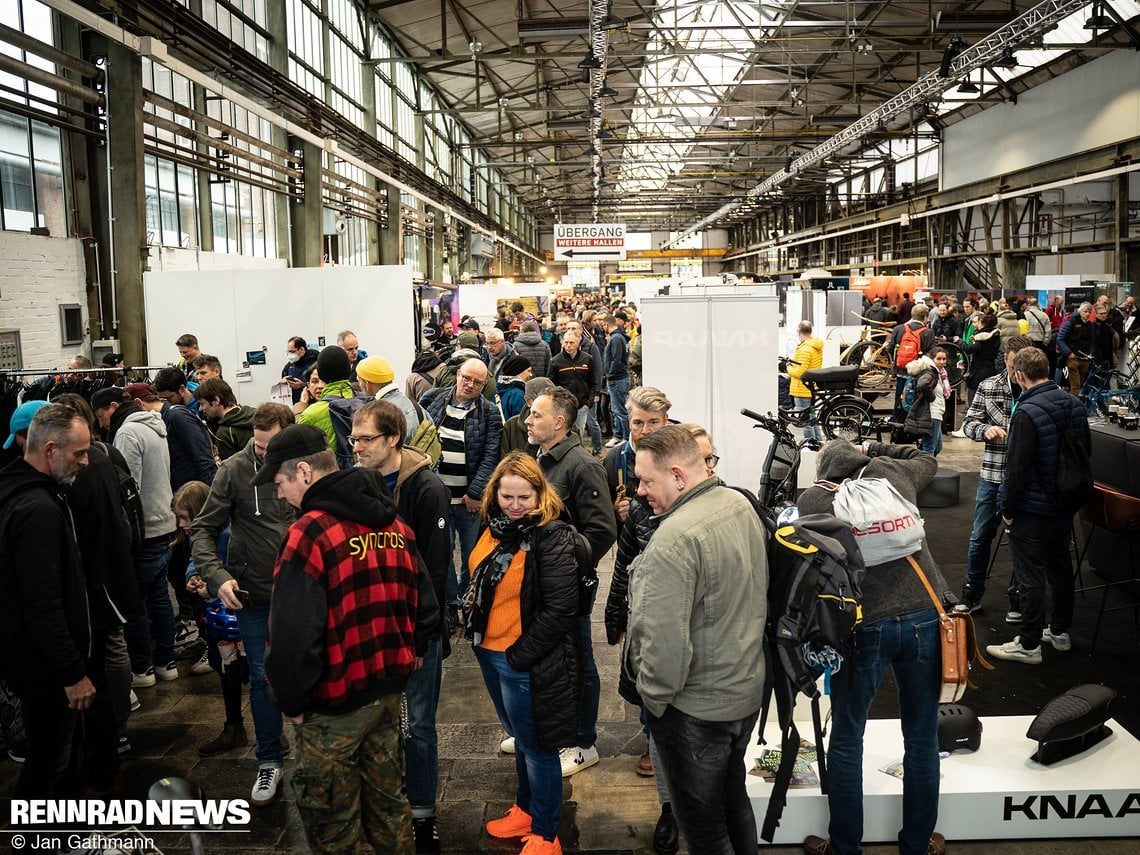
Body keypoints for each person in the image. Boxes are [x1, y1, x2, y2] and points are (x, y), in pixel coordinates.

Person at [260, 424, 438, 853]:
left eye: (279, 483)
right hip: (386, 695)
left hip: (332, 703)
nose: (279, 495)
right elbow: (426, 605)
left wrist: (292, 701)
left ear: (303, 472)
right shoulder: (394, 522)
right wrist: (410, 652)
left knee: (333, 824)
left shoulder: (310, 533)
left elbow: (291, 635)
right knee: (388, 807)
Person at [799, 439, 949, 855]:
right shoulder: (893, 475)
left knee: (847, 737)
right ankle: (916, 845)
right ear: (862, 461)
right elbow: (927, 459)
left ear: (823, 472)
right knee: (921, 738)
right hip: (924, 613)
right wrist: (880, 448)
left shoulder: (815, 498)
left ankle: (846, 847)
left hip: (860, 625)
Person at [623, 426, 766, 854]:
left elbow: (664, 647)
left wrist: (653, 701)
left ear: (679, 477)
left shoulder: (673, 541)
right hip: (745, 691)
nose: (640, 491)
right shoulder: (738, 504)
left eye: (647, 480)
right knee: (733, 800)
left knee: (703, 828)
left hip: (696, 711)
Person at [469, 452, 581, 855]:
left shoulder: (551, 536)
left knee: (538, 747)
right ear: (494, 494)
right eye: (507, 497)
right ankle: (526, 809)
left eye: (524, 498)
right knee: (521, 739)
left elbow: (560, 609)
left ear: (540, 494)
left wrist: (519, 656)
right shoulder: (495, 527)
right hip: (490, 652)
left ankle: (548, 833)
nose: (515, 507)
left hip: (522, 660)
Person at [351, 399, 451, 853]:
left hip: (413, 632)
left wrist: (419, 634)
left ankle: (424, 816)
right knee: (381, 725)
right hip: (372, 630)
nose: (356, 447)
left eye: (365, 439)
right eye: (353, 439)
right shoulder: (358, 485)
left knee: (419, 726)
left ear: (393, 438)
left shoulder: (425, 489)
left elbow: (434, 569)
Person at [0, 404, 94, 797]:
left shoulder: (18, 492)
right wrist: (71, 673)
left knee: (61, 758)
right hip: (45, 667)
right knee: (49, 763)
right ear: (51, 449)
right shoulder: (36, 509)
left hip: (33, 658)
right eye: (79, 454)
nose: (86, 462)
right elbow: (43, 602)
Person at [525, 388, 617, 776]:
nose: (527, 421)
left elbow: (602, 530)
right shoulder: (541, 459)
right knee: (547, 657)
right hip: (537, 582)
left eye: (535, 415)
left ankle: (583, 741)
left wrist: (567, 568)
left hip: (568, 585)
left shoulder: (581, 465)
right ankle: (547, 733)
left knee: (579, 659)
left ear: (559, 422)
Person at [51, 392, 143, 771]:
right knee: (111, 651)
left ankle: (111, 738)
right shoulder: (105, 455)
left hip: (97, 582)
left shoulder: (84, 469)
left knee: (105, 657)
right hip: (113, 572)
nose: (82, 458)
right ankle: (115, 731)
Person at [987, 347, 1090, 665]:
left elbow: (1016, 468)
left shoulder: (1026, 411)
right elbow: (1084, 451)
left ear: (1019, 375)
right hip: (1064, 503)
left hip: (1032, 509)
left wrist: (1007, 507)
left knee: (1030, 575)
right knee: (1060, 569)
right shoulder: (1074, 403)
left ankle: (1029, 644)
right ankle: (1059, 632)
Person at [91, 386, 180, 688]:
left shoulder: (128, 433)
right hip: (165, 520)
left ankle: (143, 668)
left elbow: (130, 489)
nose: (101, 423)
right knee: (159, 596)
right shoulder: (155, 425)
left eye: (101, 415)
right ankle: (166, 661)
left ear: (113, 406)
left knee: (139, 601)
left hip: (146, 528)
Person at [952, 334, 1035, 616]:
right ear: (1006, 360)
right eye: (1013, 365)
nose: (1016, 372)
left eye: (1021, 365)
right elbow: (968, 423)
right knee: (980, 537)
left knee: (1022, 540)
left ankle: (1018, 597)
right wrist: (983, 430)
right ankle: (971, 594)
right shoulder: (989, 386)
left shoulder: (1036, 389)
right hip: (992, 474)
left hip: (1025, 480)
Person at [420, 358, 503, 612]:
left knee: (472, 554)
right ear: (457, 374)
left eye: (477, 382)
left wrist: (476, 492)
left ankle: (468, 598)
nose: (470, 385)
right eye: (466, 378)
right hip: (438, 498)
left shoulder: (489, 413)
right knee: (441, 554)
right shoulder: (432, 399)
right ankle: (451, 601)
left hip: (469, 500)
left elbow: (491, 455)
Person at [297, 346, 358, 457]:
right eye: (314, 382)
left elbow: (297, 450)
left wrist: (301, 405)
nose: (319, 386)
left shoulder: (311, 414)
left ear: (321, 374)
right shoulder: (365, 401)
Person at [356, 355, 420, 443]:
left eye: (359, 380)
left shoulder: (380, 413)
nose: (359, 385)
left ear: (367, 384)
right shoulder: (415, 406)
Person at [567, 319, 605, 454]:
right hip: (573, 394)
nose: (571, 331)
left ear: (581, 330)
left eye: (574, 328)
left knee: (591, 421)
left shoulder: (590, 346)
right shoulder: (566, 346)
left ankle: (598, 448)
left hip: (589, 393)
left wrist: (596, 392)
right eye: (569, 328)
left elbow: (598, 370)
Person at [195, 378, 255, 461]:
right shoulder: (254, 413)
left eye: (202, 404)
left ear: (216, 400)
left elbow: (230, 470)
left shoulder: (224, 433)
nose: (200, 409)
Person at [549, 328, 594, 434]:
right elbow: (551, 384)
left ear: (578, 343)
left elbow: (592, 381)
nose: (568, 345)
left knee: (579, 433)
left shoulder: (587, 359)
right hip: (564, 405)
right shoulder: (556, 361)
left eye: (571, 343)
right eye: (566, 342)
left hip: (582, 404)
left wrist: (589, 402)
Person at [787, 321, 824, 443]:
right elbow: (806, 367)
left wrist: (788, 368)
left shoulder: (805, 349)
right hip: (810, 387)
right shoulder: (814, 346)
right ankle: (819, 444)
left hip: (802, 389)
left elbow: (801, 373)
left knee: (806, 422)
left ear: (799, 331)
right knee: (812, 420)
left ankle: (810, 446)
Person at [501, 377, 553, 457]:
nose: (546, 405)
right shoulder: (511, 427)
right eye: (539, 401)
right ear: (527, 401)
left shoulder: (566, 425)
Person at [961, 309, 1002, 410]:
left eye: (975, 322)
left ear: (982, 323)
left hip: (979, 372)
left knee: (973, 399)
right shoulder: (994, 335)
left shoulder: (981, 338)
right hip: (990, 370)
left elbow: (969, 349)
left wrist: (959, 342)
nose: (973, 325)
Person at [603, 313, 631, 448]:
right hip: (618, 377)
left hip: (617, 379)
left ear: (606, 325)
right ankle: (619, 435)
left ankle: (625, 437)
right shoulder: (618, 338)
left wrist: (609, 375)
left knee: (619, 409)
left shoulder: (616, 339)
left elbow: (616, 359)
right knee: (616, 409)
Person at [1056, 302, 1094, 395]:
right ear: (1080, 311)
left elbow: (1092, 341)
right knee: (1076, 385)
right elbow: (1060, 339)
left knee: (1080, 384)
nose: (1088, 314)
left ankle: (1075, 402)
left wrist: (1091, 353)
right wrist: (1069, 353)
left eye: (1089, 312)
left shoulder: (1090, 325)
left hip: (1085, 358)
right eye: (1085, 311)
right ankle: (1076, 404)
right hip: (1072, 357)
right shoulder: (1071, 322)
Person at [281, 336, 319, 404]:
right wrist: (283, 383)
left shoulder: (316, 364)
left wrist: (302, 385)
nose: (289, 355)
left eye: (292, 352)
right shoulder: (289, 366)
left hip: (312, 404)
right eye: (288, 352)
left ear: (301, 349)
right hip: (294, 405)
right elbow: (282, 379)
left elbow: (321, 386)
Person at [498, 354, 534, 421]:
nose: (531, 374)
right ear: (518, 372)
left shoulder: (499, 391)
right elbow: (522, 422)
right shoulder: (517, 395)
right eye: (528, 371)